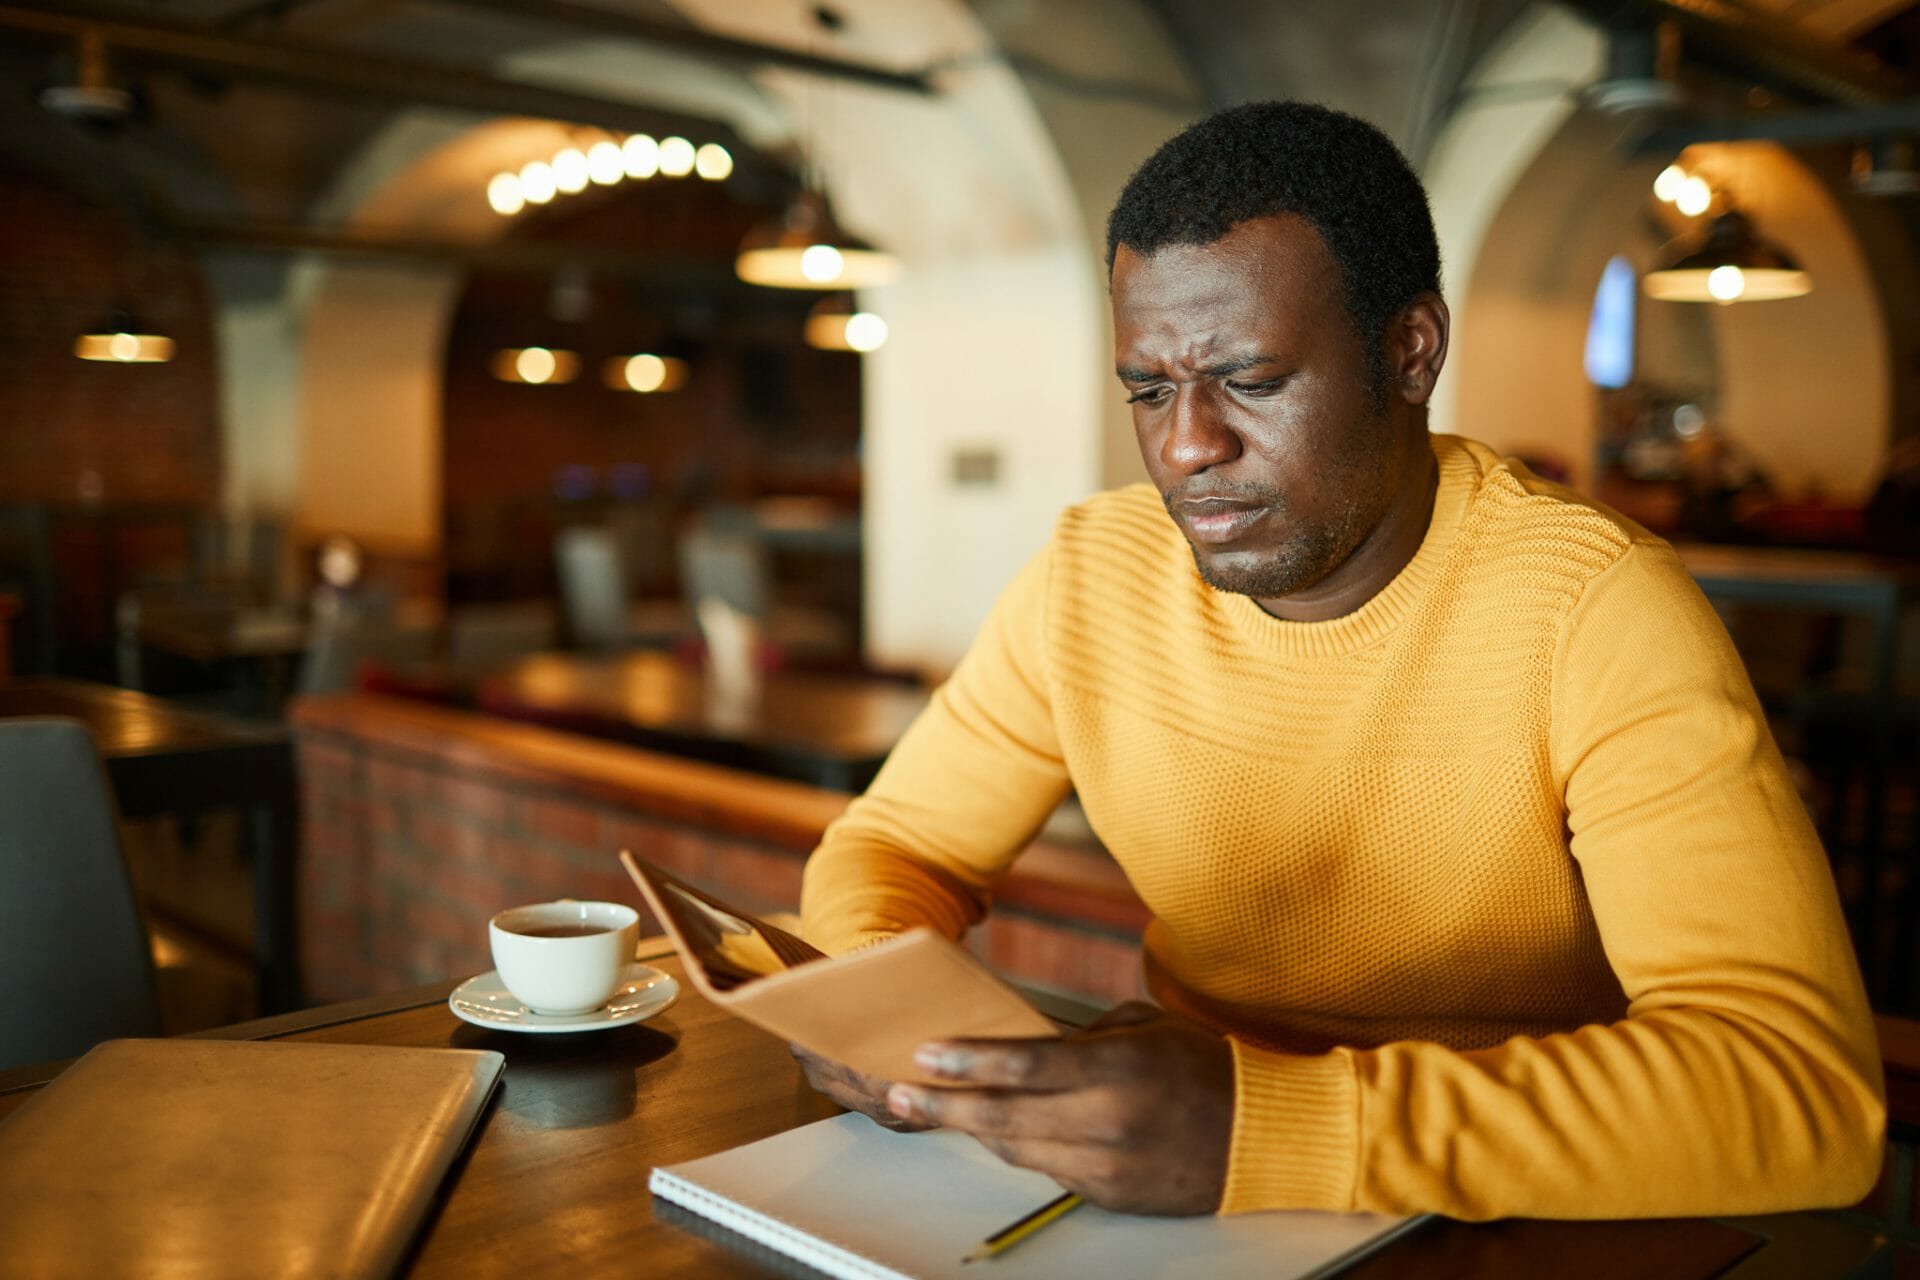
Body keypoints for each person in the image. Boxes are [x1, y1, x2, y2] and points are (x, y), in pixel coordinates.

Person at [793, 101, 1884, 1221]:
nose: (1187, 448)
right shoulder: (1093, 574)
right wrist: (874, 1003)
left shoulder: (1594, 609)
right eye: (1150, 390)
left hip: (1512, 1214)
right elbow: (896, 842)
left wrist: (1275, 1126)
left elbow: (1796, 1088)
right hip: (1180, 1195)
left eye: (1251, 381)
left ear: (1409, 351)